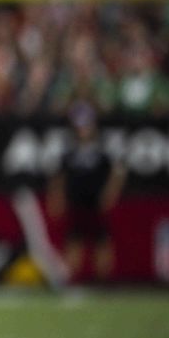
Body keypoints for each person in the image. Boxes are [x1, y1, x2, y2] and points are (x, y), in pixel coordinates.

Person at [47, 101, 127, 283]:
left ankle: (103, 282)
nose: (83, 129)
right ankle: (71, 280)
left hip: (96, 201)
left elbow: (118, 171)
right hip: (76, 200)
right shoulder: (67, 147)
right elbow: (58, 175)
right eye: (80, 125)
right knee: (74, 240)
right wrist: (57, 197)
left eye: (86, 124)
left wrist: (110, 193)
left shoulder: (104, 146)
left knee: (102, 240)